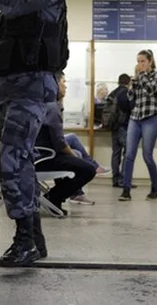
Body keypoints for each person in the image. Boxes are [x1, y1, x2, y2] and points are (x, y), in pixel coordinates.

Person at [0, 0, 68, 267]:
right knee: (22, 164)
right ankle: (35, 239)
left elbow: (10, 5)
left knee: (13, 163)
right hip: (12, 91)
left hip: (29, 90)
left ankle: (24, 241)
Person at [35, 73, 97, 219]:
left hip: (38, 156)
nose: (66, 86)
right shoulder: (52, 108)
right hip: (45, 159)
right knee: (88, 169)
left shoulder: (44, 104)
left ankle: (55, 201)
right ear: (54, 85)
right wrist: (73, 155)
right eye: (63, 82)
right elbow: (60, 144)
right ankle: (54, 196)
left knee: (75, 158)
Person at [119, 49, 157, 201]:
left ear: (150, 61)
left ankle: (155, 188)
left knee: (147, 156)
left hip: (151, 118)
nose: (140, 64)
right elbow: (130, 97)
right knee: (129, 154)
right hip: (135, 117)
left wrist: (142, 76)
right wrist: (134, 82)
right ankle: (126, 189)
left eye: (143, 61)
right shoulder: (138, 77)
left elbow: (151, 90)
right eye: (138, 62)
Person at [105, 73, 133, 188]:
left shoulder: (112, 93)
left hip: (114, 127)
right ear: (128, 82)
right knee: (128, 153)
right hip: (124, 126)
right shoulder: (127, 93)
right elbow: (130, 109)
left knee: (116, 153)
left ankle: (115, 179)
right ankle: (123, 180)